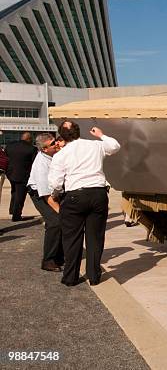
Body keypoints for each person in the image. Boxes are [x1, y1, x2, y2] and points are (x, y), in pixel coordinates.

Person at [48, 122, 121, 286]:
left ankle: (71, 277)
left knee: (72, 238)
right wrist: (101, 134)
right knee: (95, 237)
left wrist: (55, 194)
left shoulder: (61, 154)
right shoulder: (95, 145)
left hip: (75, 195)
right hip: (98, 193)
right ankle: (94, 275)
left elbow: (55, 182)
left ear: (62, 136)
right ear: (78, 131)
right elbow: (115, 146)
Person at [26, 133, 63, 271]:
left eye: (56, 141)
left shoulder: (53, 155)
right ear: (45, 149)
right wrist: (60, 211)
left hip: (52, 192)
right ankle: (48, 260)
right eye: (53, 144)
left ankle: (59, 256)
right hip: (40, 194)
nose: (57, 144)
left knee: (61, 222)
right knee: (55, 222)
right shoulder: (41, 164)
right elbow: (46, 195)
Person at [5, 132, 37, 221]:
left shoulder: (10, 146)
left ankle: (12, 210)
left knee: (14, 192)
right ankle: (16, 216)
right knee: (20, 195)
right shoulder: (32, 149)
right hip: (23, 175)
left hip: (10, 173)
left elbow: (6, 157)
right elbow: (34, 163)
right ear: (29, 139)